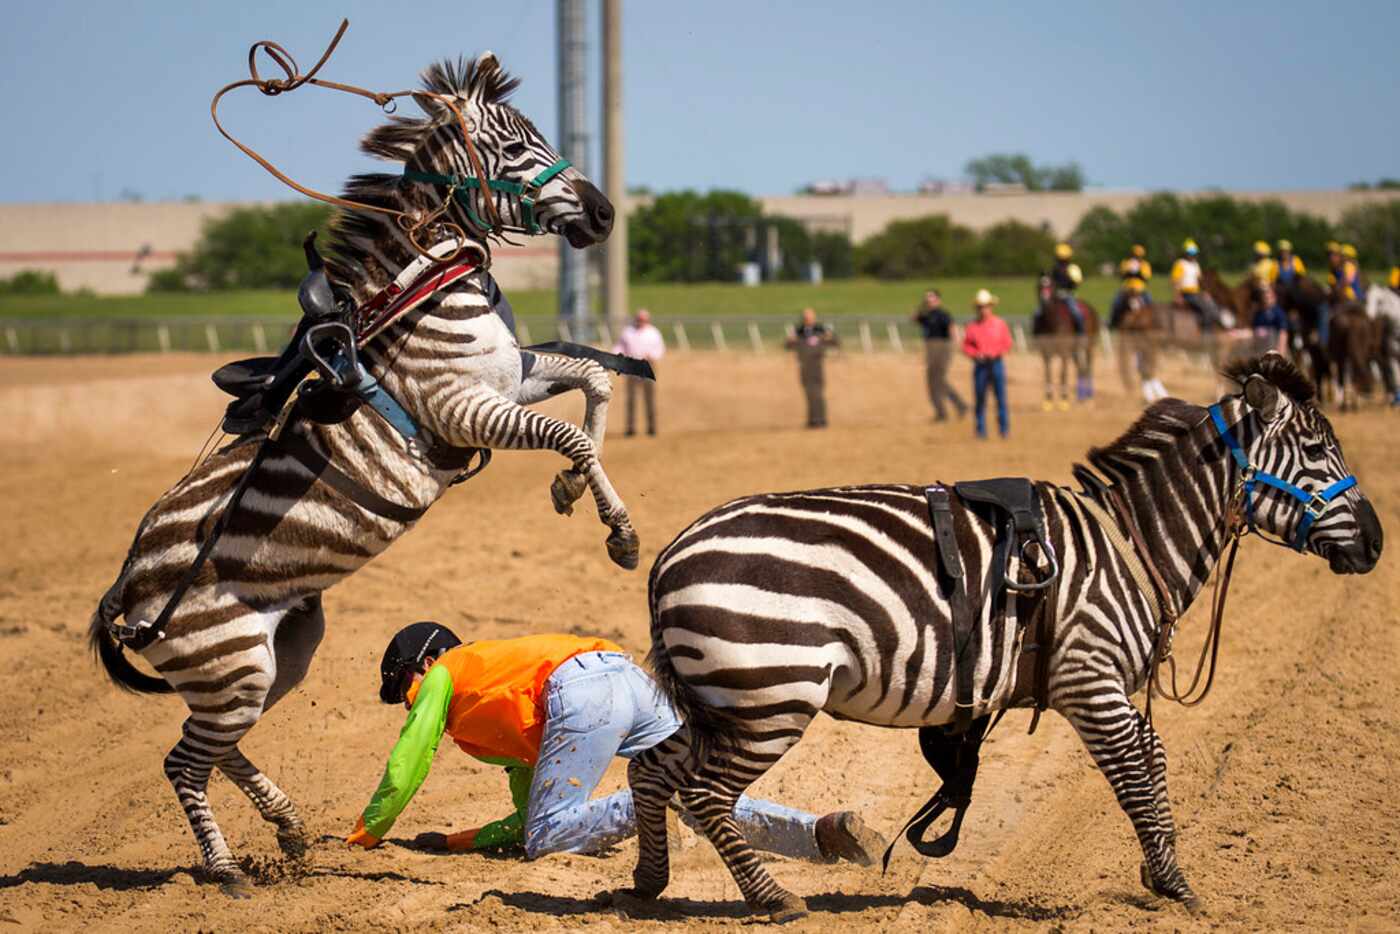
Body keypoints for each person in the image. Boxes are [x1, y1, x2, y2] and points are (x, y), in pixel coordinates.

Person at [346, 624, 886, 864]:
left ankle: (654, 796)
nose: (411, 704)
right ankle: (817, 835)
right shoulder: (495, 689)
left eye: (404, 692)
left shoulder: (444, 674)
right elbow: (528, 816)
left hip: (577, 688)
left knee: (558, 834)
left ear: (421, 664)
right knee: (698, 793)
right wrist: (460, 840)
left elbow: (407, 762)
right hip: (622, 673)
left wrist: (366, 834)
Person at [961, 288, 1012, 439]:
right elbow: (966, 346)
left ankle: (1004, 430)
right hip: (980, 366)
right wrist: (976, 354)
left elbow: (1007, 343)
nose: (984, 310)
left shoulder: (1000, 324)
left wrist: (996, 353)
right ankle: (980, 430)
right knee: (980, 399)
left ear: (991, 307)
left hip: (996, 364)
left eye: (986, 306)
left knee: (1001, 398)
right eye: (981, 307)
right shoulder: (972, 327)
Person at [913, 289, 968, 421]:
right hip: (930, 347)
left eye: (931, 297)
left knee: (937, 380)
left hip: (942, 347)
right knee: (933, 381)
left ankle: (953, 408)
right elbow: (915, 318)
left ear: (938, 299)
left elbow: (951, 328)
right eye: (927, 298)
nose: (928, 300)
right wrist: (920, 308)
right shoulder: (927, 315)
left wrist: (958, 343)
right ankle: (948, 410)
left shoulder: (943, 314)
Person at [611, 308, 665, 437]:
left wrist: (652, 355)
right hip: (632, 365)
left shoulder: (653, 333)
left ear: (647, 320)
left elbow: (660, 349)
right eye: (639, 319)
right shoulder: (628, 332)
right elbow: (619, 347)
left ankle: (652, 428)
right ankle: (630, 428)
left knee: (649, 398)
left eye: (643, 320)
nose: (641, 322)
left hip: (647, 365)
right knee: (631, 399)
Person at [785, 307, 838, 428]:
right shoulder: (798, 331)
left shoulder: (821, 329)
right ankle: (812, 420)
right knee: (809, 393)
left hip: (817, 365)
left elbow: (835, 341)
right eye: (805, 316)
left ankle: (821, 419)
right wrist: (790, 340)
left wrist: (829, 338)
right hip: (804, 365)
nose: (807, 318)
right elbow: (788, 345)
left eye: (810, 316)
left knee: (818, 393)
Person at [1171, 238, 1212, 328]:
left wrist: (1205, 292)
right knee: (1205, 308)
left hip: (1196, 293)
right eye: (1190, 253)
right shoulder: (1180, 264)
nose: (1192, 256)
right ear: (1185, 253)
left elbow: (1199, 281)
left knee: (1212, 304)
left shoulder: (1196, 265)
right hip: (1186, 294)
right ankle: (1206, 333)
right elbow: (1175, 281)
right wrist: (1178, 296)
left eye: (1194, 254)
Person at [1111, 244, 1153, 328]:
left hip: (1140, 290)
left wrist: (1138, 272)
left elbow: (1147, 277)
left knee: (1150, 302)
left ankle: (1152, 322)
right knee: (1116, 302)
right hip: (1126, 290)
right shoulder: (1126, 263)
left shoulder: (1145, 265)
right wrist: (1128, 272)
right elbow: (1122, 275)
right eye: (1135, 255)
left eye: (1138, 256)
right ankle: (1112, 322)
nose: (1136, 257)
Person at [1048, 242, 1085, 333]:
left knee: (1077, 314)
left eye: (1063, 259)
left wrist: (1070, 280)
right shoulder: (1054, 269)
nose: (1061, 261)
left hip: (1068, 295)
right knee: (1040, 312)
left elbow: (1077, 282)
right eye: (1060, 258)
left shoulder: (1072, 268)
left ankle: (1081, 333)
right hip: (1055, 296)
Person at [1251, 284, 1290, 355]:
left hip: (1275, 349)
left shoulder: (1278, 312)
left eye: (1269, 295)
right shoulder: (1259, 313)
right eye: (1264, 296)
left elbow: (1283, 333)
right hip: (1262, 350)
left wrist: (1281, 352)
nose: (1266, 298)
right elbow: (1255, 331)